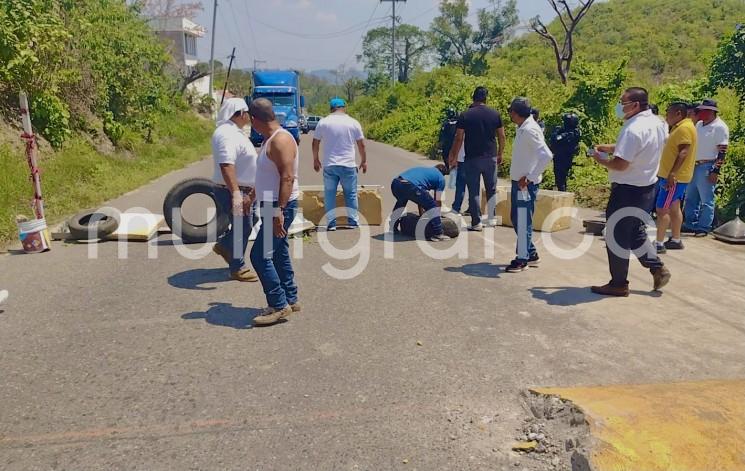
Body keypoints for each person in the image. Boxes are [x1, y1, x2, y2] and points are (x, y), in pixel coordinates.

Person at [590, 87, 671, 296]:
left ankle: (618, 283)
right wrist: (610, 148)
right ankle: (657, 268)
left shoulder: (633, 129)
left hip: (627, 191)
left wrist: (600, 159)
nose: (620, 106)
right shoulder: (658, 123)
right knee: (635, 232)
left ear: (635, 105)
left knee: (616, 236)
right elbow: (636, 147)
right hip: (647, 188)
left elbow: (620, 164)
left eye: (623, 102)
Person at [248, 98, 301, 326]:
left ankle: (279, 305)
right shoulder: (269, 140)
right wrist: (252, 195)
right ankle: (291, 298)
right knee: (278, 253)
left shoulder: (280, 141)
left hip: (279, 206)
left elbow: (287, 177)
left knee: (259, 256)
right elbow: (267, 176)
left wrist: (279, 210)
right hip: (272, 205)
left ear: (254, 119)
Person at [210, 98, 258, 282]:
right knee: (243, 226)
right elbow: (226, 164)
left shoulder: (233, 131)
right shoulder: (227, 134)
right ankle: (237, 267)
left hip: (241, 189)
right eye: (246, 112)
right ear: (239, 113)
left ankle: (224, 245)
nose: (248, 116)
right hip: (234, 190)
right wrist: (236, 194)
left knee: (251, 219)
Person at [505, 97, 553, 273]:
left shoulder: (531, 130)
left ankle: (522, 258)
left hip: (525, 185)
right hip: (519, 183)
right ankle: (530, 252)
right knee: (517, 218)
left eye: (510, 111)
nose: (509, 114)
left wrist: (530, 177)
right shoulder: (523, 128)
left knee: (523, 219)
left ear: (515, 113)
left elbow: (546, 155)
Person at [448, 86, 506, 231]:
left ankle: (476, 222)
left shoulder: (465, 115)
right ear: (486, 98)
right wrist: (500, 153)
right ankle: (491, 218)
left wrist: (453, 155)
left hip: (472, 158)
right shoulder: (495, 114)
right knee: (491, 188)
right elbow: (502, 136)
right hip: (491, 158)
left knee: (473, 190)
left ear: (473, 97)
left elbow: (459, 138)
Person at [312, 97, 367, 231]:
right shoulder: (353, 122)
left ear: (331, 109)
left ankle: (331, 223)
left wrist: (316, 159)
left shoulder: (323, 122)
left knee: (330, 193)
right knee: (351, 193)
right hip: (348, 164)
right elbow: (361, 145)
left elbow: (315, 143)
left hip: (330, 165)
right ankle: (353, 221)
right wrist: (364, 161)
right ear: (344, 107)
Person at [683, 99, 730, 236]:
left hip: (707, 165)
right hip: (695, 164)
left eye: (702, 110)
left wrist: (715, 170)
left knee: (706, 199)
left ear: (710, 112)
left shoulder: (720, 127)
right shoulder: (699, 124)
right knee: (690, 197)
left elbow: (722, 152)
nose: (700, 113)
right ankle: (690, 223)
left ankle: (704, 227)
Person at [654, 102, 697, 253]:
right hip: (676, 176)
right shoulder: (683, 126)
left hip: (674, 178)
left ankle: (658, 244)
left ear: (678, 113)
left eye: (668, 113)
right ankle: (676, 239)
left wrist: (672, 173)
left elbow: (683, 152)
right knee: (673, 207)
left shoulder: (684, 128)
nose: (666, 117)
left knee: (662, 209)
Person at [389, 164, 450, 242]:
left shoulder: (426, 171)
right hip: (409, 185)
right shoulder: (441, 178)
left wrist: (422, 214)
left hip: (396, 183)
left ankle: (392, 227)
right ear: (443, 173)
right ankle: (438, 233)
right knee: (432, 205)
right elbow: (437, 200)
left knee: (401, 203)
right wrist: (437, 216)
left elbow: (421, 199)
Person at [548, 113, 581, 192]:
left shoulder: (571, 133)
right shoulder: (571, 132)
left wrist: (556, 132)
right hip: (562, 157)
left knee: (561, 180)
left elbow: (555, 139)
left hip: (563, 158)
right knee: (560, 179)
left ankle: (562, 194)